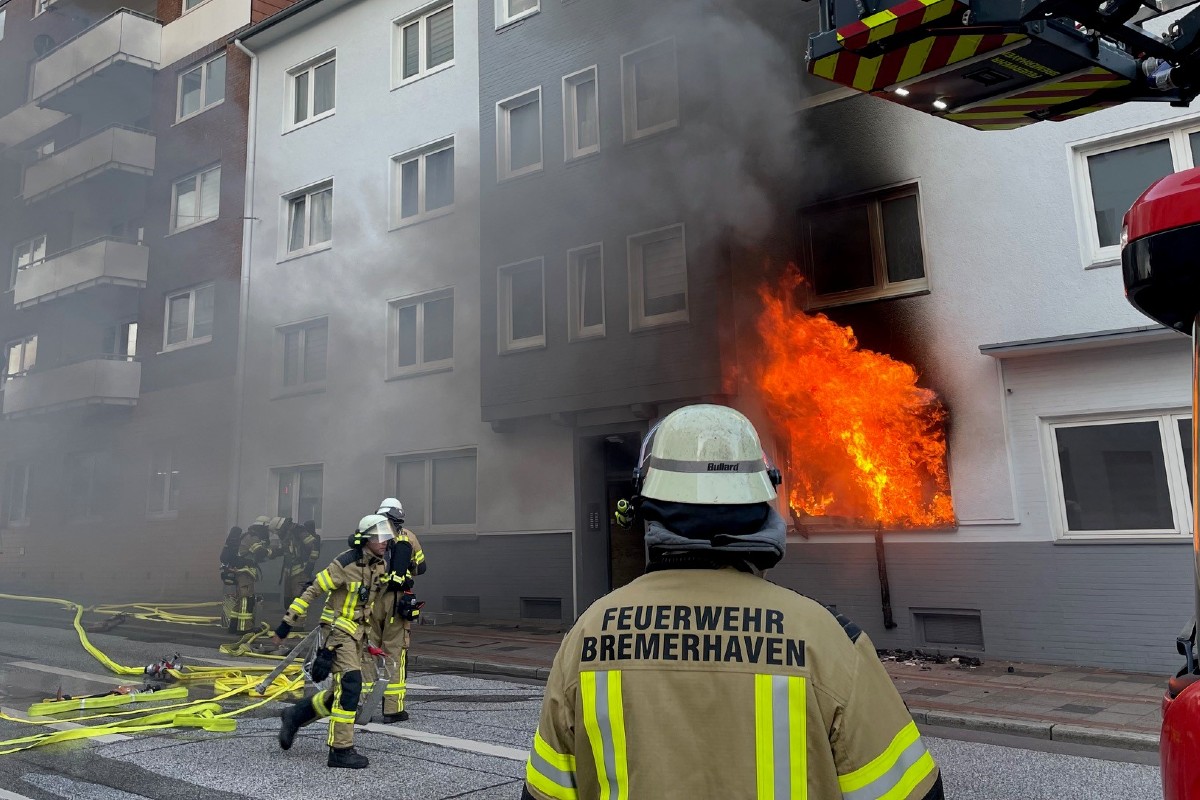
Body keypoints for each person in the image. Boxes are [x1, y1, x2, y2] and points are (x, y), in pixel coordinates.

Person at [522, 404, 944, 800]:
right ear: (763, 504)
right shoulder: (829, 641)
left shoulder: (589, 635)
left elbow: (544, 792)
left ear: (648, 508)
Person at [273, 515, 392, 769]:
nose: (384, 542)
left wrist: (369, 641)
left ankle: (296, 714)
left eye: (386, 537)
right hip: (338, 635)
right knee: (350, 685)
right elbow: (312, 590)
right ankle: (340, 750)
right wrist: (286, 624)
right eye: (379, 537)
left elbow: (365, 607)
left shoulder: (380, 565)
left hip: (357, 635)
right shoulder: (345, 563)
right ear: (365, 538)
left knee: (343, 693)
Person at [364, 497, 426, 723]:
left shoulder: (370, 534)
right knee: (394, 652)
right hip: (396, 602)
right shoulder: (408, 537)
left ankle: (365, 708)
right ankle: (392, 709)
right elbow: (422, 567)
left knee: (368, 651)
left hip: (370, 599)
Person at [220, 516, 276, 634]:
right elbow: (260, 552)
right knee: (247, 598)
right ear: (262, 527)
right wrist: (274, 551)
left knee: (240, 599)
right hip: (244, 572)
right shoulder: (252, 537)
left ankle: (233, 626)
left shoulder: (247, 536)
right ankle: (245, 628)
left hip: (240, 571)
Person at [275, 516, 322, 623]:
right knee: (289, 599)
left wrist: (310, 565)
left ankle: (299, 623)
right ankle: (291, 620)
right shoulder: (290, 535)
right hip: (290, 571)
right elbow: (288, 550)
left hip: (300, 570)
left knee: (298, 597)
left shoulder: (300, 533)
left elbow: (313, 548)